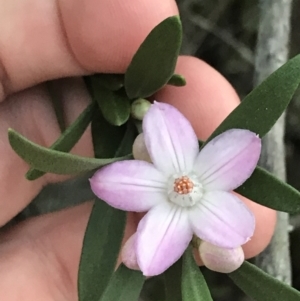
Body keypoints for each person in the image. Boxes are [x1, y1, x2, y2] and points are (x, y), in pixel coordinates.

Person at [0, 0, 276, 299]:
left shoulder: (210, 203)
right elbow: (151, 131)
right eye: (183, 186)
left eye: (184, 187)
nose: (184, 186)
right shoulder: (163, 131)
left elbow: (243, 149)